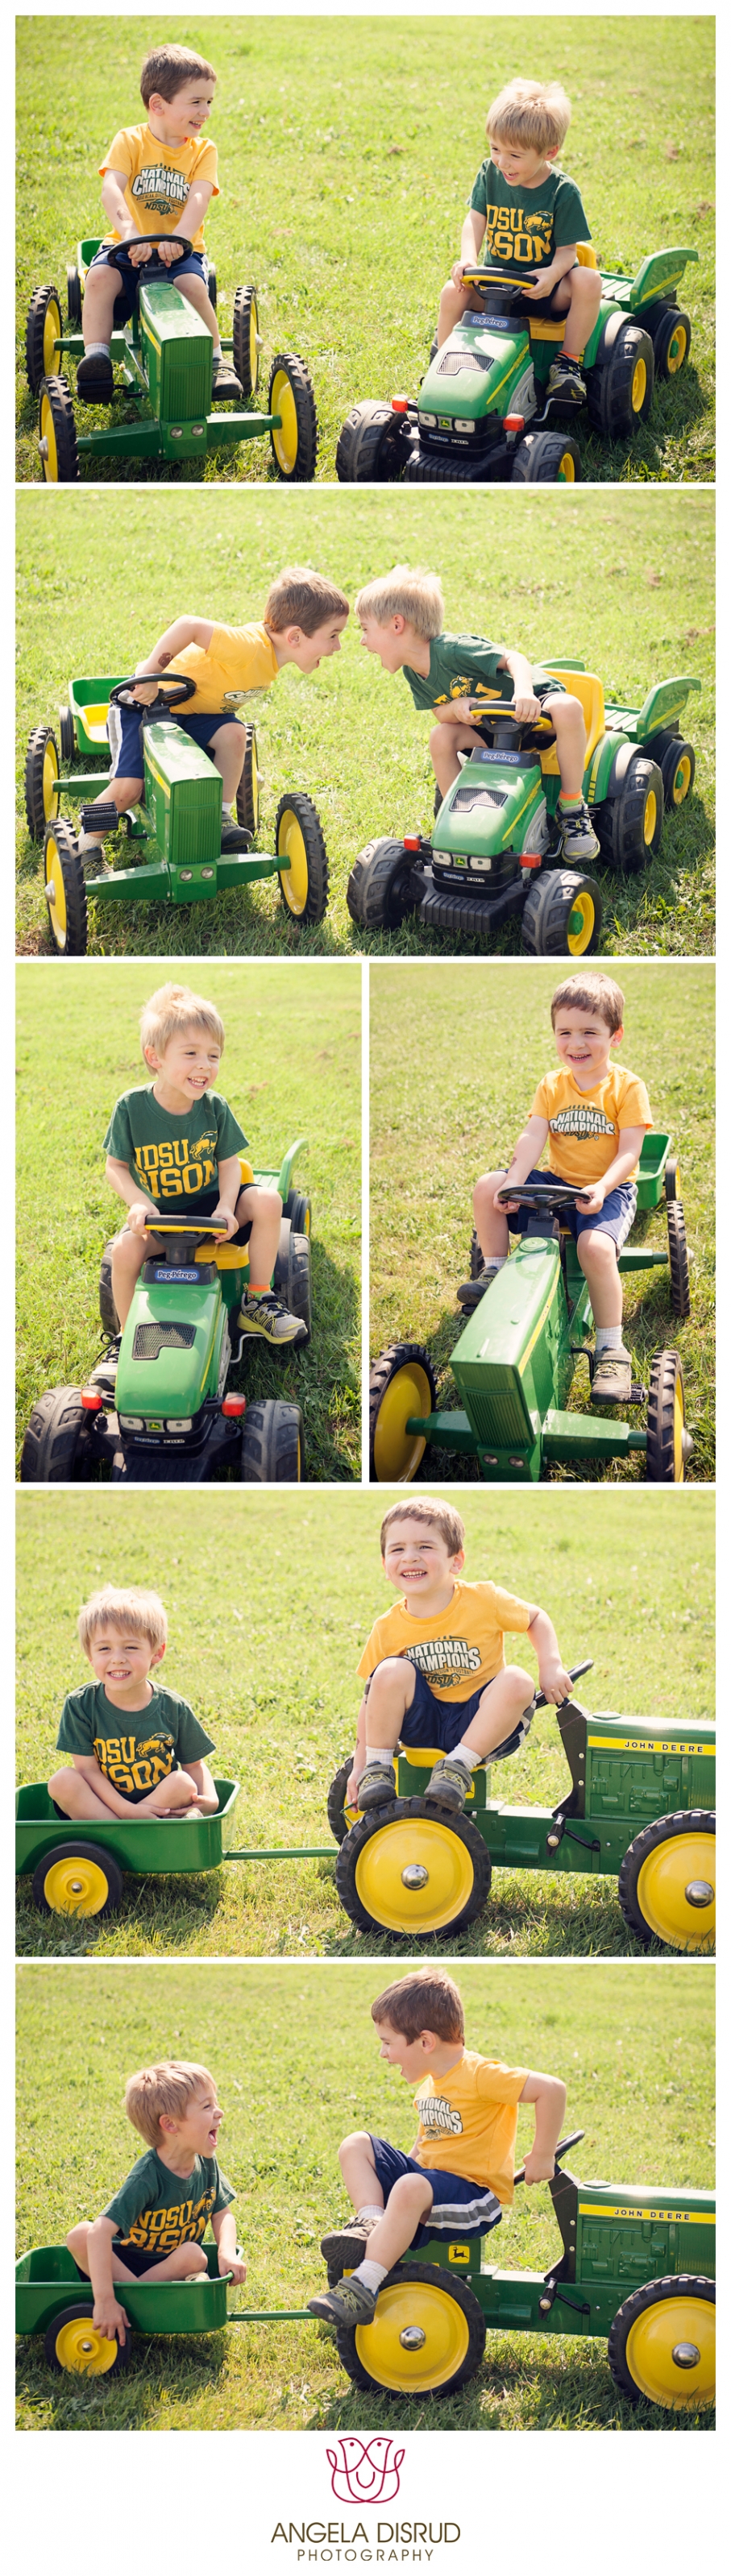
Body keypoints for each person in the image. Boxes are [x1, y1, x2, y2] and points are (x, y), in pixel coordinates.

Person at [307, 1967, 566, 2327]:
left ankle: (364, 2286)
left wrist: (542, 2155)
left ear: (425, 2042)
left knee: (411, 2186)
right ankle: (372, 2224)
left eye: (387, 2042)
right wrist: (399, 2177)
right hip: (430, 2181)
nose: (383, 2053)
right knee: (356, 2145)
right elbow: (425, 2143)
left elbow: (552, 2090)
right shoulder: (430, 2084)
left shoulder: (479, 2074)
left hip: (474, 2195)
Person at [77, 567, 350, 861]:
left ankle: (219, 818)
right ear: (295, 636)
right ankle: (84, 848)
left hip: (194, 713)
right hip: (144, 706)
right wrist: (150, 673)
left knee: (234, 734)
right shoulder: (247, 647)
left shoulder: (272, 658)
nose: (337, 646)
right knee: (129, 790)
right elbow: (188, 626)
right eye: (332, 636)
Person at [101, 978, 306, 1362]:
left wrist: (227, 1206)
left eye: (214, 1056)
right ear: (155, 1057)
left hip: (214, 1211)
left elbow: (229, 1164)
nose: (204, 1065)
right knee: (125, 1249)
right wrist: (138, 1202)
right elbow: (115, 1166)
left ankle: (258, 1301)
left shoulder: (215, 1107)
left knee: (266, 1200)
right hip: (165, 1220)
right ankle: (127, 1341)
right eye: (191, 1053)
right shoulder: (131, 1108)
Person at [472, 969, 653, 1404]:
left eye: (590, 1032)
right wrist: (514, 1181)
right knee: (486, 1186)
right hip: (557, 1182)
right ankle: (493, 1270)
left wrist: (604, 1188)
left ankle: (612, 1347)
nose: (576, 1044)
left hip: (608, 1189)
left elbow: (630, 1153)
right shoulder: (553, 1085)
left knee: (593, 1248)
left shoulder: (627, 1088)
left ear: (616, 1036)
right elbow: (533, 1136)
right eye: (565, 1032)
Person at [355, 564, 600, 864]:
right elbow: (440, 714)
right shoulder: (413, 672)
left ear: (396, 625)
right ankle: (456, 821)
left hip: (534, 714)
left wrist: (524, 692)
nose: (363, 641)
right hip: (492, 728)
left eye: (365, 629)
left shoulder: (453, 651)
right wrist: (455, 709)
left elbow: (514, 659)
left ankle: (572, 810)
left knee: (569, 706)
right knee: (441, 737)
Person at [347, 1495, 572, 1816]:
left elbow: (535, 1618)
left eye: (425, 1547)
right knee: (388, 1672)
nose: (410, 1558)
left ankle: (456, 1768)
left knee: (518, 1681)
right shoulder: (387, 1627)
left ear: (456, 1560)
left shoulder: (484, 1600)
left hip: (480, 1724)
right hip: (420, 1724)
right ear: (385, 1565)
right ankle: (378, 1771)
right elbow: (373, 1700)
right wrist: (360, 1764)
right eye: (397, 1549)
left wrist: (550, 1665)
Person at [77, 42, 243, 401]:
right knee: (99, 278)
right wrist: (131, 234)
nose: (206, 112)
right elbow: (111, 190)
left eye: (209, 102)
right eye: (196, 102)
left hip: (180, 252)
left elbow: (199, 198)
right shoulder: (130, 141)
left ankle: (217, 363)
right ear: (158, 104)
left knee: (194, 287)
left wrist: (180, 237)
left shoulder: (203, 151)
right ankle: (97, 359)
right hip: (127, 247)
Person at [436, 74, 602, 412]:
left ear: (549, 152)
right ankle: (441, 359)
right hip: (496, 286)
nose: (502, 161)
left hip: (543, 291)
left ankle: (567, 364)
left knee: (588, 280)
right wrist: (468, 258)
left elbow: (567, 254)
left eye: (514, 155)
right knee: (451, 292)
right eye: (495, 149)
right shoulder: (490, 174)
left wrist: (553, 276)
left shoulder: (562, 192)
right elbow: (475, 220)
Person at [66, 2060, 245, 2348]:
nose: (219, 2112)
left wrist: (226, 2253)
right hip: (124, 2267)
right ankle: (136, 2298)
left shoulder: (206, 2164)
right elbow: (100, 2232)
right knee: (80, 2235)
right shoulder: (147, 2176)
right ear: (170, 2124)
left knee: (195, 2255)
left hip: (171, 2266)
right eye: (207, 2106)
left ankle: (141, 2299)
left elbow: (222, 2213)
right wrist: (104, 2300)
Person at [48, 1583, 219, 1823]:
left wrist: (211, 1799)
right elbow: (88, 1771)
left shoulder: (172, 1708)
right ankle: (122, 1830)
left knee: (182, 1782)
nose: (117, 1659)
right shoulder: (80, 1705)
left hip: (158, 1803)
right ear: (90, 1655)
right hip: (103, 1808)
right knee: (62, 1781)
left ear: (157, 1652)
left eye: (130, 1647)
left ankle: (120, 1835)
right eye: (104, 1648)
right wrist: (126, 1811)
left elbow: (194, 1766)